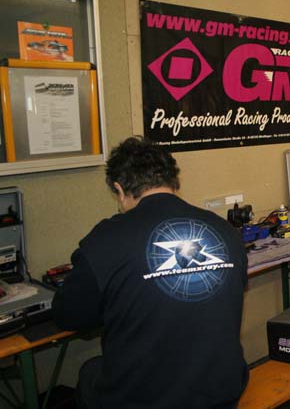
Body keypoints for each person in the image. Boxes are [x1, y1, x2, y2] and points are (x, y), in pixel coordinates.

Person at [52, 136, 248, 409]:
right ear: (173, 181)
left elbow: (69, 316)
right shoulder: (225, 230)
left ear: (119, 189)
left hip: (145, 400)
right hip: (222, 391)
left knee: (89, 372)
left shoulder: (106, 239)